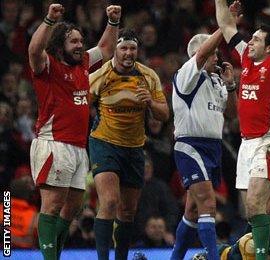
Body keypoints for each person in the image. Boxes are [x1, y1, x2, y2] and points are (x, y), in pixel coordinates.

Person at [27, 3, 120, 259]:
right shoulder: (48, 66)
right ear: (60, 46)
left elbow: (106, 49)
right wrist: (48, 20)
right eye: (73, 42)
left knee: (73, 208)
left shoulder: (83, 63)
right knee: (53, 206)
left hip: (79, 148)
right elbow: (34, 50)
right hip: (54, 144)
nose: (79, 45)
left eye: (80, 41)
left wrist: (112, 22)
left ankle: (54, 254)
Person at [215, 0, 270, 258]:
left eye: (256, 40)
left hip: (268, 141)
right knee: (252, 212)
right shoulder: (246, 59)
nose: (249, 42)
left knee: (255, 205)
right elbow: (225, 25)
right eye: (250, 39)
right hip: (246, 144)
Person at [89, 28, 169, 260]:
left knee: (128, 211)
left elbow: (164, 114)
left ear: (138, 51)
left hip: (134, 147)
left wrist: (151, 104)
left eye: (132, 48)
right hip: (104, 143)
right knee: (111, 201)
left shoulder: (148, 76)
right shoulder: (101, 75)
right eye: (123, 47)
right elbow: (81, 103)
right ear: (115, 49)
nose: (128, 52)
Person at [169, 29, 237, 260]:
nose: (217, 58)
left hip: (213, 148)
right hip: (191, 146)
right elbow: (201, 54)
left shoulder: (216, 80)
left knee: (193, 210)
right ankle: (213, 257)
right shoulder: (186, 75)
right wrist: (224, 25)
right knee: (208, 203)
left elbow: (231, 114)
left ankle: (175, 258)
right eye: (213, 54)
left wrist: (230, 86)